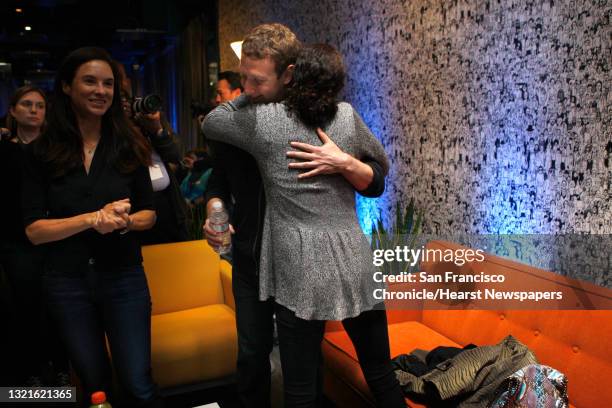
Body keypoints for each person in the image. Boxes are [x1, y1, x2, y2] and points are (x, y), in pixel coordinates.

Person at [203, 43, 405, 408]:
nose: (249, 86)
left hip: (298, 266)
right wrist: (346, 160)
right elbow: (381, 166)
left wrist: (243, 96)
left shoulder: (264, 122)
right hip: (353, 258)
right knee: (381, 373)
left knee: (298, 391)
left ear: (290, 76)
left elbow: (211, 121)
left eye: (255, 79)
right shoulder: (346, 115)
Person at [21, 47, 162, 408]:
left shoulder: (130, 144)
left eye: (108, 84)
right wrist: (91, 219)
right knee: (95, 385)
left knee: (138, 383)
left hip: (124, 278)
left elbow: (150, 214)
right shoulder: (41, 152)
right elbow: (34, 230)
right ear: (67, 86)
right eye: (90, 81)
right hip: (66, 283)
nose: (101, 90)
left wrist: (126, 221)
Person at [0, 86, 70, 386]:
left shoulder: (55, 149)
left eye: (39, 106)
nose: (33, 110)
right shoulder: (4, 149)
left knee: (59, 306)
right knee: (25, 306)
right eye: (26, 105)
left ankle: (62, 369)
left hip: (55, 236)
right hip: (16, 239)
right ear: (13, 110)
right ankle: (31, 375)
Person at [118, 66, 190, 245]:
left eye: (126, 98)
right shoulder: (113, 130)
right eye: (120, 100)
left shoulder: (145, 119)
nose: (125, 104)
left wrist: (156, 128)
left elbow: (174, 155)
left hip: (168, 207)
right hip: (136, 210)